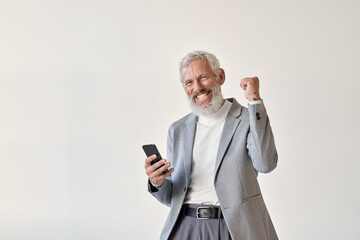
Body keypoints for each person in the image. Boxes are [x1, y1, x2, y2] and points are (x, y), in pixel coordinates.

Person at [145, 50, 278, 240]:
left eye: (203, 77)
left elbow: (266, 164)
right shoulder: (177, 130)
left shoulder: (248, 120)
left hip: (233, 228)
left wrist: (254, 101)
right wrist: (157, 182)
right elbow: (172, 197)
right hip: (185, 227)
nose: (197, 87)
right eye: (189, 82)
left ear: (220, 76)